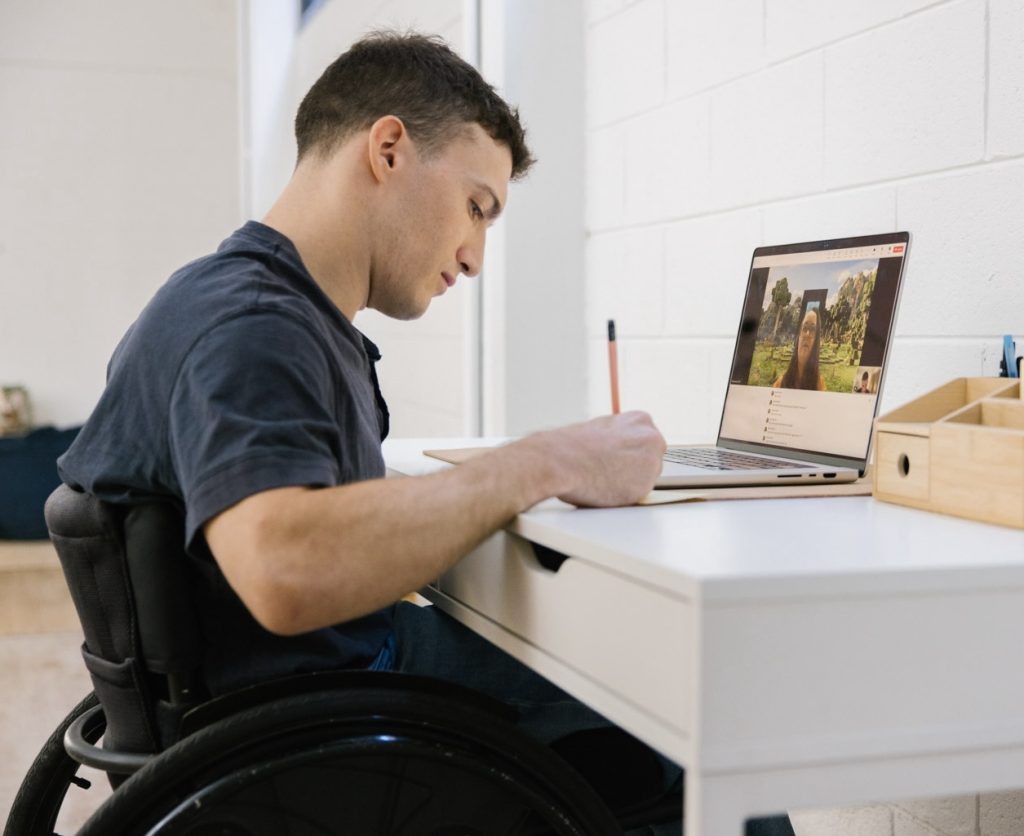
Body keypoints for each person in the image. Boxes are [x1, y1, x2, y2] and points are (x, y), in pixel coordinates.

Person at [58, 32, 795, 836]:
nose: (475, 255)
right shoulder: (253, 326)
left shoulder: (249, 303)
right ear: (388, 150)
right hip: (321, 742)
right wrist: (544, 460)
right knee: (705, 726)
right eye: (477, 206)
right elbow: (283, 567)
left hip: (286, 707)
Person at [773, 308, 826, 391]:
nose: (807, 334)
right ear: (799, 337)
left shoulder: (819, 386)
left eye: (812, 329)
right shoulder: (780, 384)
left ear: (816, 341)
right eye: (804, 328)